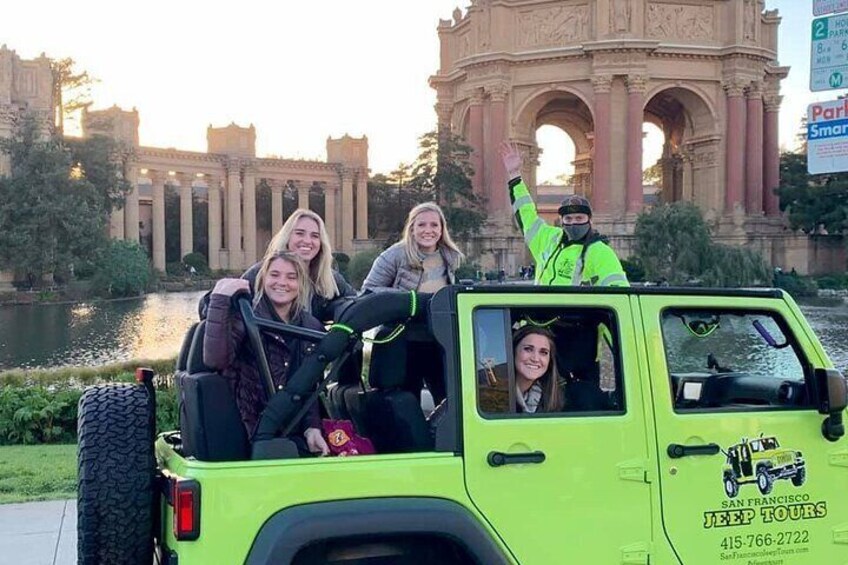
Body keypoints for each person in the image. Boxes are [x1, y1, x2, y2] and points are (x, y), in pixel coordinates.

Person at [203, 251, 329, 456]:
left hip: (292, 431)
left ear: (301, 283)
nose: (282, 282)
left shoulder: (310, 326)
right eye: (275, 275)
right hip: (251, 429)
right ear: (263, 279)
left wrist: (312, 427)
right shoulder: (244, 316)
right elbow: (215, 359)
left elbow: (309, 386)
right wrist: (220, 299)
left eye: (291, 277)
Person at [361, 202, 464, 405]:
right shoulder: (395, 254)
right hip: (404, 341)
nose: (428, 230)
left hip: (439, 340)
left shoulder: (449, 257)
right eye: (422, 225)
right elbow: (368, 291)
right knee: (408, 400)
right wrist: (408, 300)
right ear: (412, 228)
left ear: (442, 229)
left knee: (448, 400)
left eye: (434, 225)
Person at [498, 142, 629, 287]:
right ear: (562, 220)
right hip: (542, 309)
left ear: (589, 220)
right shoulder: (548, 238)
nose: (573, 222)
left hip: (577, 310)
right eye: (568, 218)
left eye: (579, 218)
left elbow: (619, 290)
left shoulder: (600, 252)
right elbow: (525, 212)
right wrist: (514, 175)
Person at [243, 209, 355, 323]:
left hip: (310, 339)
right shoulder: (258, 273)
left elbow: (355, 305)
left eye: (315, 236)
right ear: (287, 237)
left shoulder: (330, 279)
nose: (307, 241)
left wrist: (337, 312)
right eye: (299, 233)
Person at [512, 325, 564, 413]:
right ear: (513, 352)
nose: (535, 359)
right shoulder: (493, 391)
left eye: (543, 352)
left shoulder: (553, 397)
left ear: (549, 360)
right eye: (528, 349)